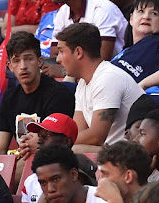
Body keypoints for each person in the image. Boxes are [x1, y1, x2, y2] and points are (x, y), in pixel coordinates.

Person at [55, 22, 144, 150]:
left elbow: (96, 137)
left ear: (78, 52)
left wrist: (54, 143)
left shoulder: (108, 78)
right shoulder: (82, 83)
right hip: (110, 151)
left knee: (70, 152)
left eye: (61, 51)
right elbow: (77, 132)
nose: (58, 59)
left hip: (129, 153)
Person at [0, 32, 74, 154]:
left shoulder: (58, 94)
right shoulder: (9, 97)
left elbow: (51, 144)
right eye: (16, 61)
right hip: (21, 160)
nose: (23, 66)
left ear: (40, 61)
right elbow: (0, 148)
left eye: (28, 59)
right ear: (10, 66)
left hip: (48, 159)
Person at [110, 0, 159, 94]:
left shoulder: (157, 44)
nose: (146, 17)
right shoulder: (125, 52)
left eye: (154, 13)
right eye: (141, 11)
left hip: (148, 99)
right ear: (131, 19)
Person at [32, 145, 105, 203]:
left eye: (56, 179)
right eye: (43, 183)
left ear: (73, 175)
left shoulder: (105, 199)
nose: (50, 189)